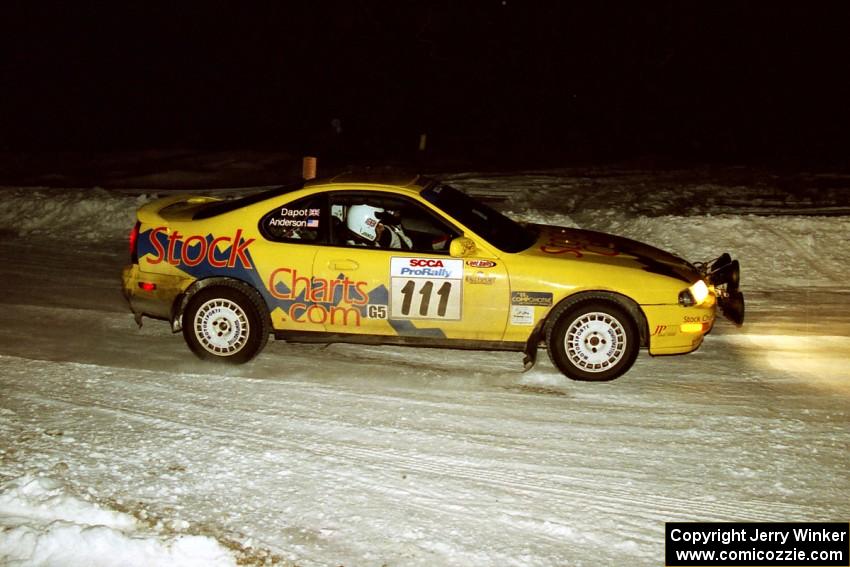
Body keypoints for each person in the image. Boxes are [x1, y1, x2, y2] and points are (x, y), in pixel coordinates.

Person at [345, 204, 413, 249]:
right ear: (366, 226)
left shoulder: (386, 235)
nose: (383, 228)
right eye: (378, 225)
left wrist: (396, 223)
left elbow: (407, 245)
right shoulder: (357, 252)